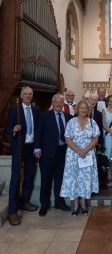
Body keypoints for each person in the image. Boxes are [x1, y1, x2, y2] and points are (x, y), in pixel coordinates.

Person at [6, 86, 40, 226]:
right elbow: (7, 130)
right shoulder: (15, 111)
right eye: (25, 94)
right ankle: (12, 212)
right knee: (16, 178)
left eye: (30, 94)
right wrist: (13, 129)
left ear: (32, 96)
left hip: (31, 148)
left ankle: (24, 202)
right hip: (19, 147)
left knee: (29, 176)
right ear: (21, 95)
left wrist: (38, 147)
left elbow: (39, 130)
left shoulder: (36, 110)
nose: (27, 96)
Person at [34, 94, 72, 217]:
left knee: (60, 179)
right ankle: (44, 204)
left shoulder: (68, 117)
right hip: (47, 153)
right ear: (53, 103)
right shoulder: (44, 116)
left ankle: (59, 202)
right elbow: (38, 132)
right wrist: (37, 148)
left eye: (61, 102)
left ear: (63, 103)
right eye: (56, 102)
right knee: (46, 179)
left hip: (63, 152)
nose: (59, 104)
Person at [60, 100, 100, 217]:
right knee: (75, 179)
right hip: (73, 155)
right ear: (78, 109)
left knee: (85, 179)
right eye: (81, 108)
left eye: (85, 108)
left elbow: (95, 139)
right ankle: (75, 205)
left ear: (88, 110)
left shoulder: (92, 122)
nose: (83, 110)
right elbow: (67, 139)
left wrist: (85, 150)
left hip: (87, 155)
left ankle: (83, 204)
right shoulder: (71, 122)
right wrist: (79, 151)